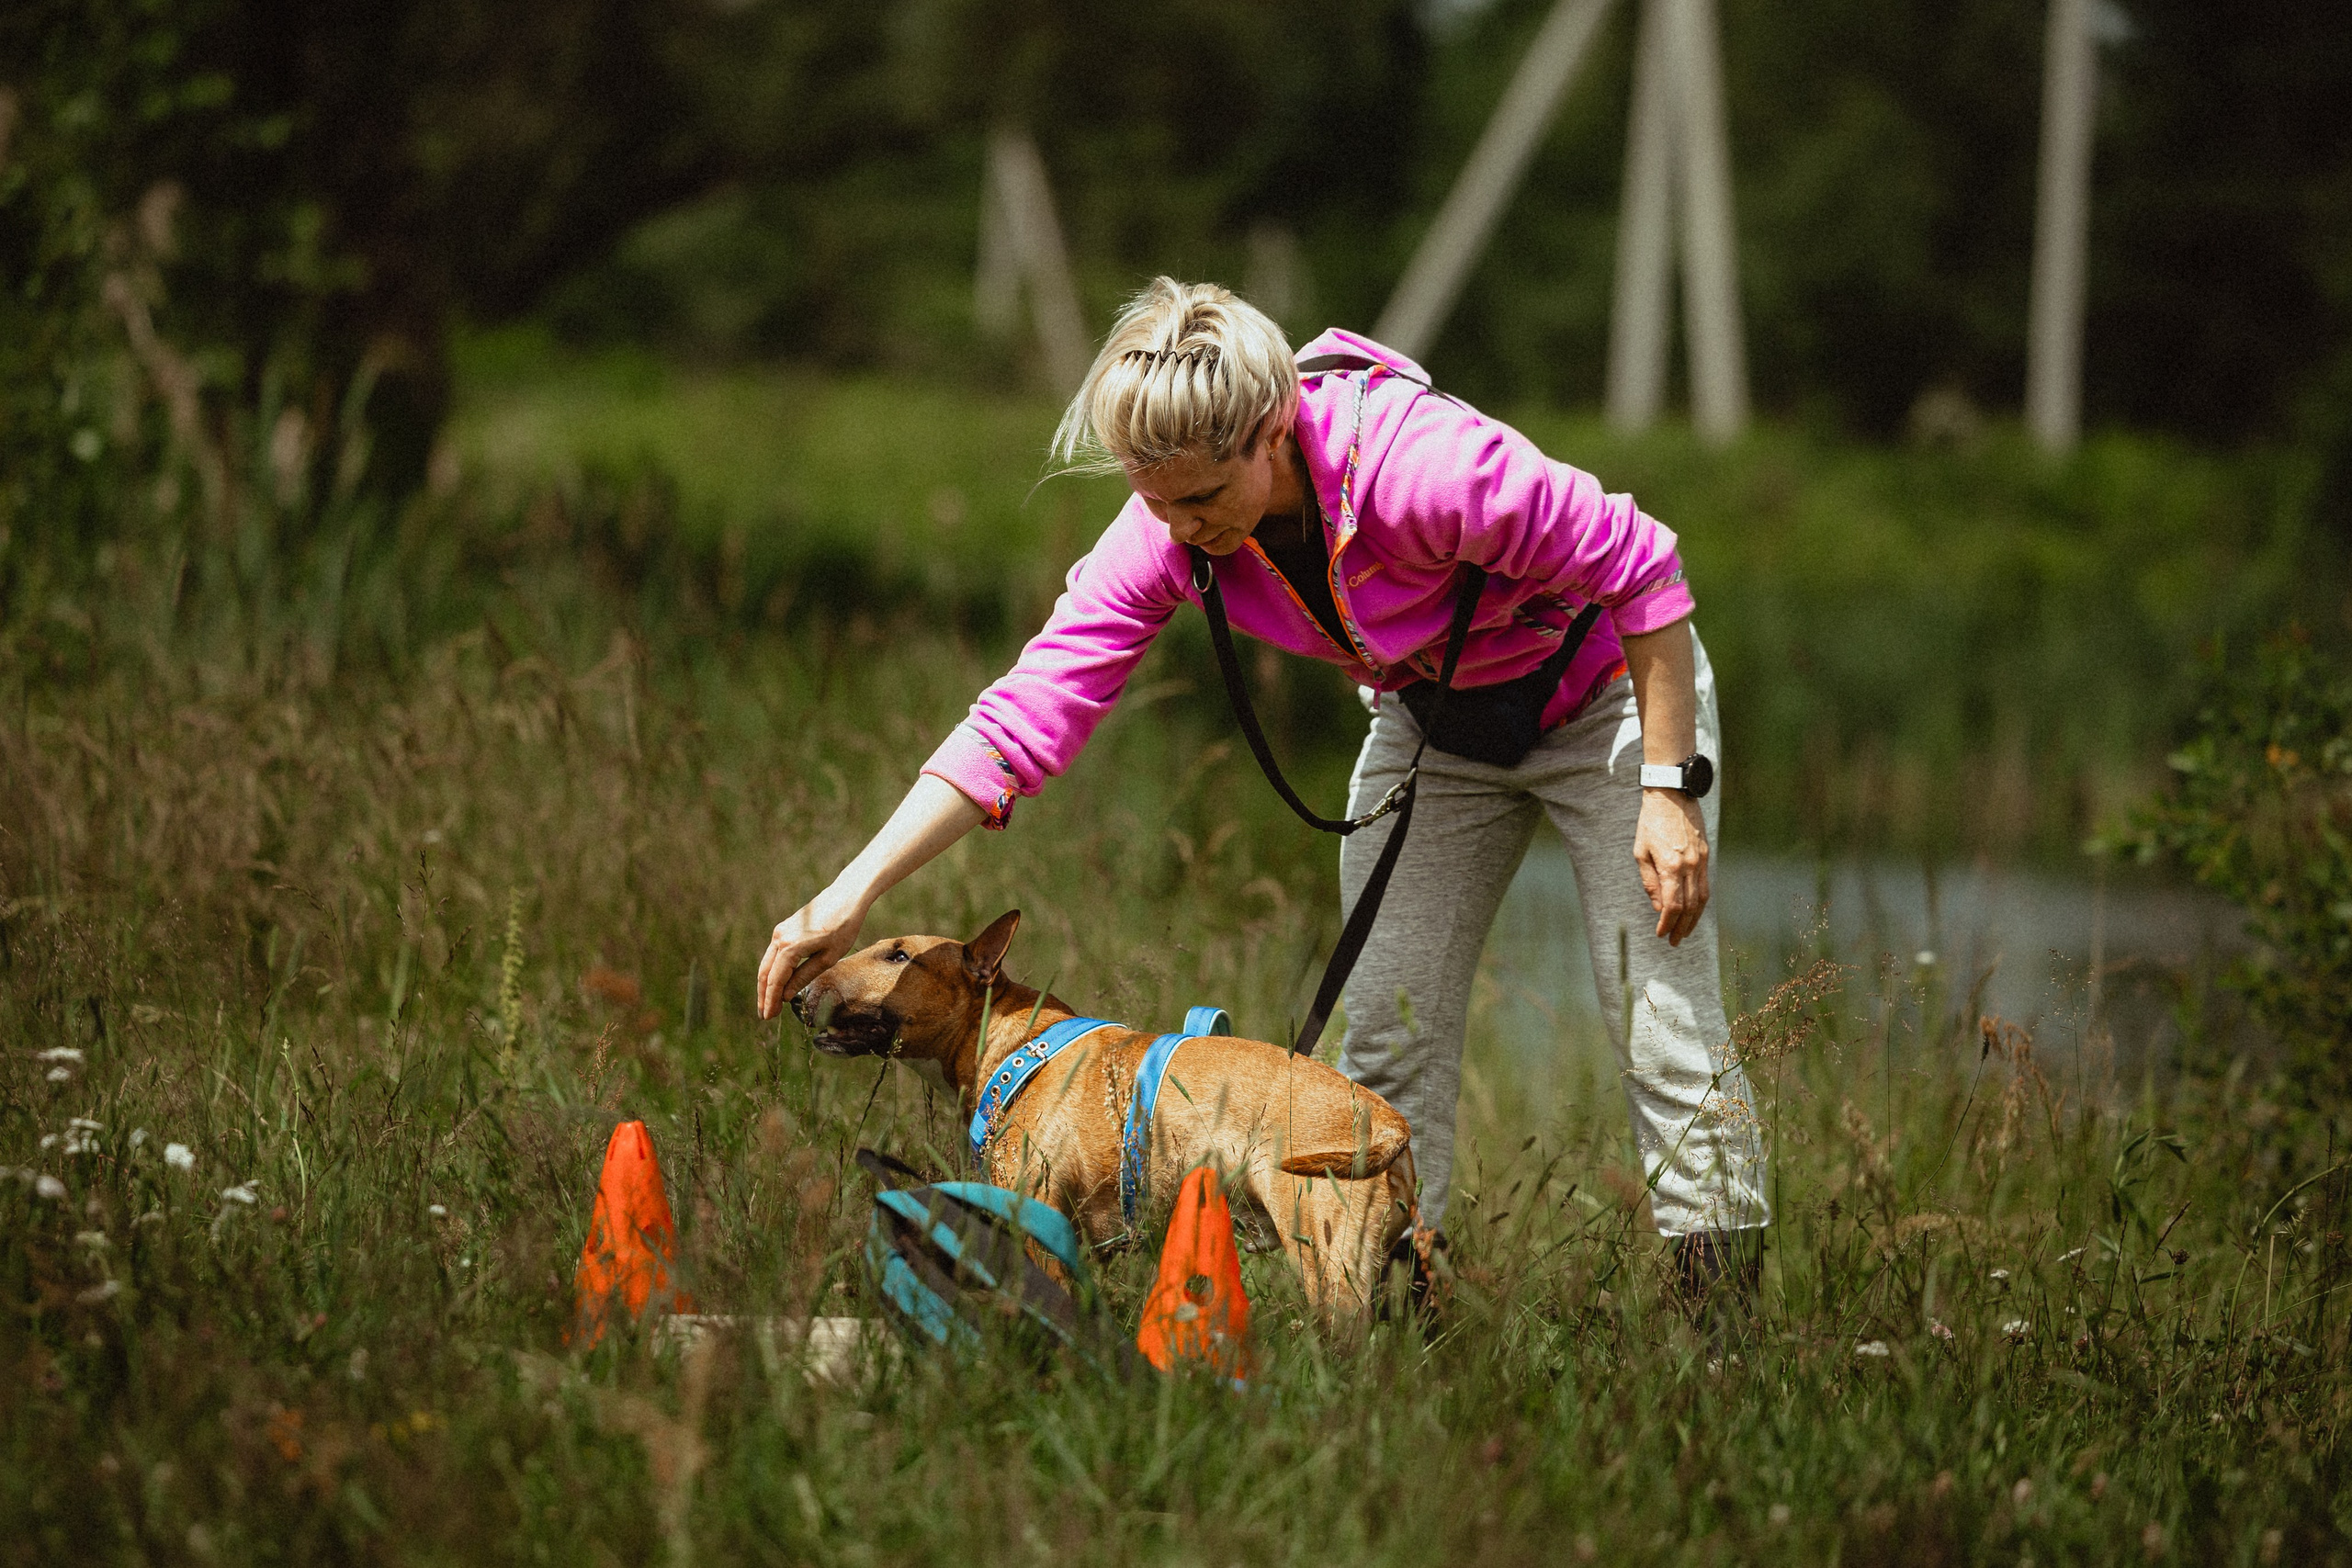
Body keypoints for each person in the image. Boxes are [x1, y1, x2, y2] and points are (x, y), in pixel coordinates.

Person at [756, 278, 1768, 1290]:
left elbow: (1645, 569)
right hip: (1433, 725)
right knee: (1385, 1034)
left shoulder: (1426, 470)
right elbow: (1024, 714)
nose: (1180, 528)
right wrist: (848, 894)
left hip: (1609, 702)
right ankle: (1394, 1321)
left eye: (1201, 498)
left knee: (1659, 1018)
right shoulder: (1162, 527)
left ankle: (1721, 1337)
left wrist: (1668, 786)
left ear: (1273, 430)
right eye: (1155, 500)